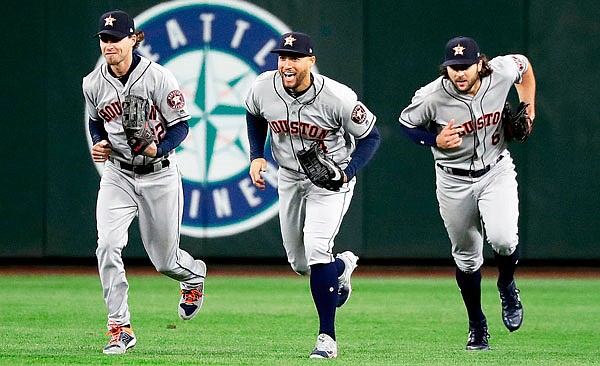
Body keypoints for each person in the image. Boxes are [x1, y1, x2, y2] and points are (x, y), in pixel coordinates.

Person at [245, 32, 380, 358]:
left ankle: (327, 338)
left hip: (330, 181)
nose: (286, 64)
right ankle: (341, 268)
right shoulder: (264, 86)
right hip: (290, 177)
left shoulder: (336, 96)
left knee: (317, 248)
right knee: (300, 262)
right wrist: (256, 154)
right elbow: (254, 113)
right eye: (282, 57)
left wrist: (347, 173)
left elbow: (371, 136)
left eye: (294, 58)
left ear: (311, 61)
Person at [399, 36, 536, 350]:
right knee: (467, 258)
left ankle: (506, 283)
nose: (458, 73)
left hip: (495, 170)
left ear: (480, 63)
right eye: (452, 67)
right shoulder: (432, 95)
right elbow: (407, 124)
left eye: (464, 66)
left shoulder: (501, 71)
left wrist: (528, 112)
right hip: (453, 181)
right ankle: (477, 324)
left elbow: (525, 68)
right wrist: (433, 141)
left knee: (504, 238)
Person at [82, 10, 207, 354]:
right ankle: (119, 327)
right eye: (104, 39)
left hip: (160, 174)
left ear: (132, 40)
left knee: (165, 261)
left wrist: (158, 147)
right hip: (117, 174)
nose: (108, 45)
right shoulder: (92, 82)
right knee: (107, 245)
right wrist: (100, 141)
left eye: (115, 38)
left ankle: (193, 275)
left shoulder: (158, 77)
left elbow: (181, 125)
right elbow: (96, 122)